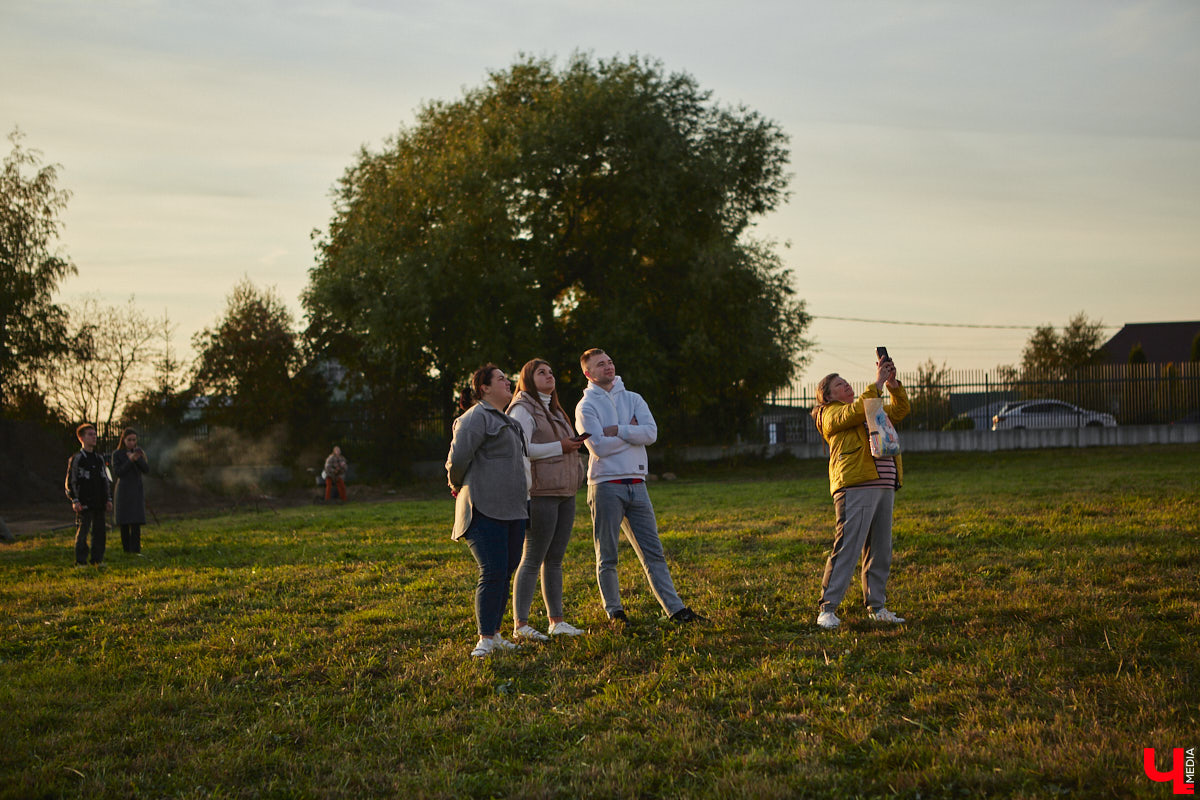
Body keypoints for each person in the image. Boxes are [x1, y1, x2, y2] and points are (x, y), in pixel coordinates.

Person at [575, 348, 707, 627]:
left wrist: (619, 430)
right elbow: (597, 446)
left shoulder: (633, 398)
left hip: (638, 484)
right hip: (605, 485)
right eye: (600, 365)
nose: (608, 367)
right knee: (607, 554)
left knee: (653, 552)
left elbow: (651, 433)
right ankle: (615, 612)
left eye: (610, 361)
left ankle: (675, 610)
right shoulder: (586, 406)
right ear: (588, 373)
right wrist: (632, 432)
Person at [810, 354, 911, 629]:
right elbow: (853, 413)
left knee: (880, 548)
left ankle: (877, 606)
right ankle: (827, 609)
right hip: (856, 485)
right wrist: (877, 382)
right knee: (848, 546)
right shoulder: (830, 414)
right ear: (827, 396)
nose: (846, 386)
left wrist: (892, 385)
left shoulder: (868, 405)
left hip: (884, 484)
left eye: (846, 382)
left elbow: (900, 411)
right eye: (839, 385)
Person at [446, 365, 530, 658]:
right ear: (483, 388)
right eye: (501, 379)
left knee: (505, 571)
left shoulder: (508, 421)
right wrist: (457, 485)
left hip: (514, 510)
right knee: (492, 570)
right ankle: (484, 639)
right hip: (484, 507)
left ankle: (495, 633)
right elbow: (456, 460)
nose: (509, 383)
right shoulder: (474, 418)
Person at [506, 358, 587, 641]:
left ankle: (557, 621)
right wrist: (560, 446)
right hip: (540, 493)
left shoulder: (556, 410)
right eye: (542, 372)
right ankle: (521, 625)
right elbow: (519, 447)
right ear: (528, 378)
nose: (549, 375)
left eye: (551, 371)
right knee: (532, 558)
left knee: (555, 559)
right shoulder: (522, 408)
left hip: (565, 491)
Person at [64, 423, 112, 566]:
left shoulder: (99, 459)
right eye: (90, 434)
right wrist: (75, 500)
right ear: (81, 438)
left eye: (95, 434)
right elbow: (70, 481)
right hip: (84, 502)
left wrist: (108, 498)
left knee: (99, 532)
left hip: (99, 502)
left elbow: (105, 479)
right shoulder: (77, 459)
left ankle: (97, 560)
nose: (94, 437)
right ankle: (81, 561)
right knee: (83, 532)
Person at [111, 428, 149, 555]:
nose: (132, 442)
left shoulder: (139, 453)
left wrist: (138, 459)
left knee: (136, 521)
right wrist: (130, 460)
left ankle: (136, 549)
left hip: (136, 490)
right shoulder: (117, 454)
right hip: (124, 490)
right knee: (125, 522)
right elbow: (119, 472)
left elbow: (146, 469)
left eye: (134, 440)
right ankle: (126, 550)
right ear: (124, 440)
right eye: (129, 440)